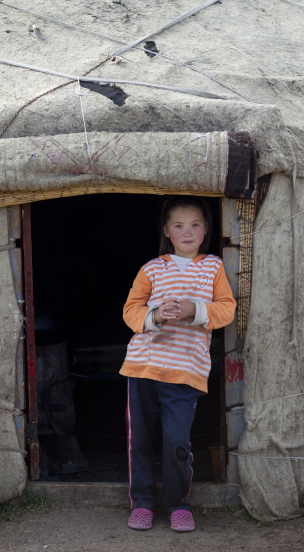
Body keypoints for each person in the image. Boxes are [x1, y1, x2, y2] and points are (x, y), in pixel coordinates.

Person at [119, 196, 235, 533]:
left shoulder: (212, 267)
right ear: (167, 231)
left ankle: (178, 504)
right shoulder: (152, 269)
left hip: (186, 371)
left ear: (206, 231)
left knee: (177, 442)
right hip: (142, 366)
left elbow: (226, 309)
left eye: (195, 224)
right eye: (179, 225)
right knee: (139, 439)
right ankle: (141, 502)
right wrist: (155, 315)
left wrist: (194, 310)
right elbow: (130, 311)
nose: (188, 231)